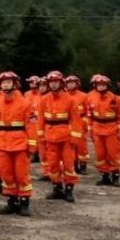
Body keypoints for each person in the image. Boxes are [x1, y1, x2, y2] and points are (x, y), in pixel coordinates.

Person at [0, 72, 38, 216]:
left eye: (8, 82)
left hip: (20, 143)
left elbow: (31, 126)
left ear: (15, 84)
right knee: (6, 174)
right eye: (3, 82)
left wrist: (32, 145)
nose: (5, 84)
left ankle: (24, 203)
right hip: (2, 144)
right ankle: (11, 202)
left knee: (22, 175)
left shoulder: (25, 104)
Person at [38, 71, 81, 202]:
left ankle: (69, 190)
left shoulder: (70, 100)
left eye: (56, 82)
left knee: (68, 165)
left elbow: (76, 120)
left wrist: (75, 138)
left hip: (66, 137)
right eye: (51, 82)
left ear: (61, 83)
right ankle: (57, 189)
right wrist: (40, 136)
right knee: (53, 165)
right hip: (50, 137)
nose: (54, 84)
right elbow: (40, 120)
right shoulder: (44, 100)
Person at [88, 75, 120, 187]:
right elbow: (89, 115)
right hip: (97, 129)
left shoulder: (114, 98)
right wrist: (90, 128)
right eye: (99, 85)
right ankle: (104, 176)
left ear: (107, 86)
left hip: (111, 129)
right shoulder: (91, 98)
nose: (101, 87)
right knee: (100, 155)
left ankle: (115, 177)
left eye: (103, 85)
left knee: (113, 154)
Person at [65, 75, 90, 174]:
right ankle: (74, 165)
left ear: (77, 84)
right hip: (68, 123)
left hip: (80, 121)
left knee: (82, 145)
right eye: (69, 83)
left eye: (73, 83)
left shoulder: (83, 96)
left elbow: (88, 111)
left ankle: (83, 166)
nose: (71, 85)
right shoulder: (64, 95)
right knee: (71, 146)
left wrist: (86, 122)